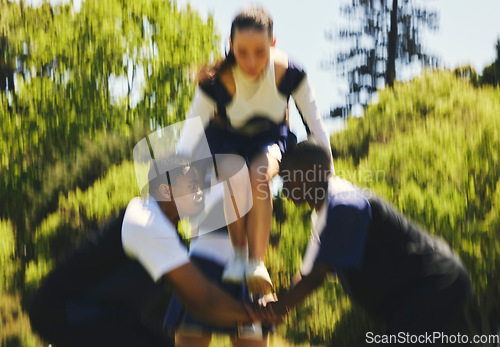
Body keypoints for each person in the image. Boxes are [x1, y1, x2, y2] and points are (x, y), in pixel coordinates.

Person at [178, 5, 334, 295]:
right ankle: (239, 257)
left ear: (273, 44)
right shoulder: (215, 83)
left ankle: (256, 262)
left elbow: (317, 127)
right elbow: (187, 140)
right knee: (234, 173)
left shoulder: (291, 73)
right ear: (230, 46)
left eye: (260, 52)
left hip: (269, 138)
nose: (251, 62)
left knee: (258, 174)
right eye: (242, 52)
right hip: (227, 141)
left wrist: (331, 179)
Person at [28, 155, 257, 347]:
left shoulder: (166, 230)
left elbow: (199, 304)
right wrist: (256, 313)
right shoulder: (147, 221)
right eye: (192, 187)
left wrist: (245, 314)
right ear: (165, 191)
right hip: (65, 313)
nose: (201, 193)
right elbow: (202, 300)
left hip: (109, 317)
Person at [261, 140, 472, 346]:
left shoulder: (344, 204)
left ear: (312, 173)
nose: (284, 187)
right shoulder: (322, 216)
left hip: (434, 285)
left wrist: (279, 308)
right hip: (411, 299)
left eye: (288, 176)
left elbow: (317, 277)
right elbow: (308, 273)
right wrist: (279, 302)